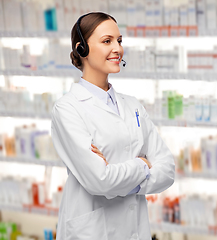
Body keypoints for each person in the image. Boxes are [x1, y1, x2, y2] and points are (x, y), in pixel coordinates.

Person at [51, 12, 175, 240]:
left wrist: (125, 183)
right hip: (93, 231)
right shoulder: (67, 109)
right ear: (81, 49)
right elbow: (100, 180)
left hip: (135, 229)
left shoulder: (133, 106)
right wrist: (142, 164)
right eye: (107, 41)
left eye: (119, 40)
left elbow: (167, 169)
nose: (117, 48)